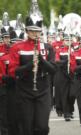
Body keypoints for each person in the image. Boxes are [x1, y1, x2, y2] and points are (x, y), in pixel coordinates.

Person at [10, 1, 56, 135]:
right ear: (27, 31)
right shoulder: (17, 48)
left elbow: (53, 70)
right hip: (24, 91)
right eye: (32, 31)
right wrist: (29, 66)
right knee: (27, 127)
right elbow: (13, 72)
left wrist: (42, 60)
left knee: (42, 127)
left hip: (43, 90)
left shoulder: (47, 47)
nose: (35, 34)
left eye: (37, 31)